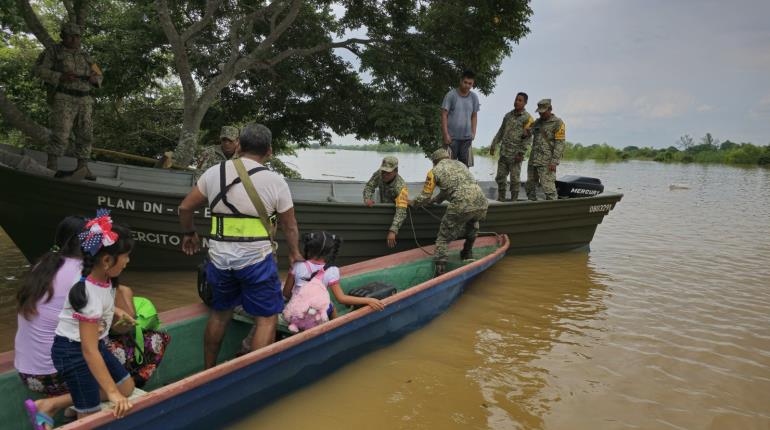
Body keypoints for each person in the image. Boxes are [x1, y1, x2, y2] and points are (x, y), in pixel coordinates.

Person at [178, 123, 302, 369]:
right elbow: (289, 226)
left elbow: (184, 208)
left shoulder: (214, 173)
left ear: (239, 146)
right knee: (266, 318)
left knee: (219, 314)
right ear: (269, 151)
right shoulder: (275, 182)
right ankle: (253, 373)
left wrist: (190, 232)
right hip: (256, 260)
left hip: (220, 259)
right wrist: (295, 254)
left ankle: (209, 371)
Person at [49, 211, 135, 421]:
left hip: (95, 344)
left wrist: (114, 312)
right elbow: (88, 351)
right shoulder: (89, 294)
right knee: (91, 419)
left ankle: (74, 406)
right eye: (125, 256)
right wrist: (111, 394)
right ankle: (82, 411)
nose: (128, 260)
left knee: (126, 387)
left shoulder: (103, 278)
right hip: (74, 352)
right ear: (106, 260)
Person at [34, 22, 102, 180]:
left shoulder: (85, 55)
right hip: (64, 97)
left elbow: (99, 73)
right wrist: (60, 77)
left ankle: (82, 168)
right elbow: (39, 70)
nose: (73, 39)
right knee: (60, 134)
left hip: (85, 99)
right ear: (63, 36)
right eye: (70, 36)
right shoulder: (53, 52)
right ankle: (51, 167)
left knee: (85, 134)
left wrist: (95, 79)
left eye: (77, 36)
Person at [410, 149, 488, 276]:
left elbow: (424, 196)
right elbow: (454, 188)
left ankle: (440, 271)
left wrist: (414, 203)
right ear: (448, 157)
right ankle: (467, 253)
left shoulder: (434, 171)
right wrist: (436, 200)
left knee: (443, 239)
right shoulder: (461, 165)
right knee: (472, 225)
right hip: (481, 201)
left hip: (461, 204)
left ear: (434, 162)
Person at [283, 232, 385, 320]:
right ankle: (334, 324)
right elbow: (341, 298)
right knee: (331, 304)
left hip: (293, 313)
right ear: (329, 252)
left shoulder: (297, 265)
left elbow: (286, 293)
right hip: (314, 315)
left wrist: (301, 300)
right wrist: (369, 300)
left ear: (309, 248)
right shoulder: (332, 271)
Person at [489, 92, 534, 201]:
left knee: (514, 180)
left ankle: (514, 201)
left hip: (515, 156)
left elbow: (528, 138)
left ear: (525, 103)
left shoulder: (528, 119)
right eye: (516, 99)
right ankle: (501, 199)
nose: (516, 102)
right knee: (500, 177)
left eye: (520, 100)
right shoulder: (508, 116)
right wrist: (494, 144)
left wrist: (521, 153)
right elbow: (501, 131)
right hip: (504, 153)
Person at [362, 156, 409, 248]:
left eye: (388, 172)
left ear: (396, 171)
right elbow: (369, 186)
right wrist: (367, 198)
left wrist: (393, 231)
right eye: (383, 171)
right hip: (384, 207)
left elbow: (401, 211)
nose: (384, 174)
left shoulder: (401, 187)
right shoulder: (379, 174)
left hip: (394, 211)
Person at [525, 99, 566, 201]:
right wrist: (526, 131)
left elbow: (560, 143)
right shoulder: (537, 122)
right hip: (533, 159)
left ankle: (553, 210)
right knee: (530, 186)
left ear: (550, 109)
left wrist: (554, 162)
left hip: (547, 161)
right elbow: (528, 133)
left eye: (543, 112)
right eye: (539, 112)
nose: (541, 114)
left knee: (548, 188)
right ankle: (532, 206)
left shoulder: (558, 123)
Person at [441, 70, 480, 167]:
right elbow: (444, 115)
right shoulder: (451, 95)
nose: (467, 85)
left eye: (470, 83)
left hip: (466, 139)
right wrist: (446, 135)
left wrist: (473, 133)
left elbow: (474, 115)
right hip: (451, 139)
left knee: (464, 168)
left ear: (473, 84)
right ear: (460, 81)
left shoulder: (474, 97)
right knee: (449, 168)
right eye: (465, 82)